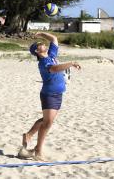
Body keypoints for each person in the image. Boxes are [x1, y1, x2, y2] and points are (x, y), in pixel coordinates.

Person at [22, 32, 81, 160]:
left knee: (46, 121)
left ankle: (28, 135)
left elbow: (54, 38)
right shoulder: (43, 62)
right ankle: (38, 149)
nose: (43, 44)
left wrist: (41, 33)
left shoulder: (52, 55)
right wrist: (71, 63)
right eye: (40, 44)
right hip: (49, 94)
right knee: (47, 123)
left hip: (58, 94)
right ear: (37, 51)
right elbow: (54, 69)